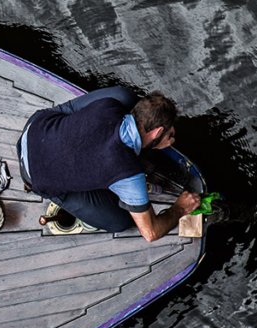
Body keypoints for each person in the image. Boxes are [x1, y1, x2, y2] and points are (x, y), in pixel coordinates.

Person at [16, 86, 200, 242]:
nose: (171, 141)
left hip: (34, 128)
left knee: (123, 94)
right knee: (119, 222)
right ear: (157, 132)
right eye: (169, 135)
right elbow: (150, 233)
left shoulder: (109, 104)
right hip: (35, 176)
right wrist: (180, 208)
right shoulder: (129, 173)